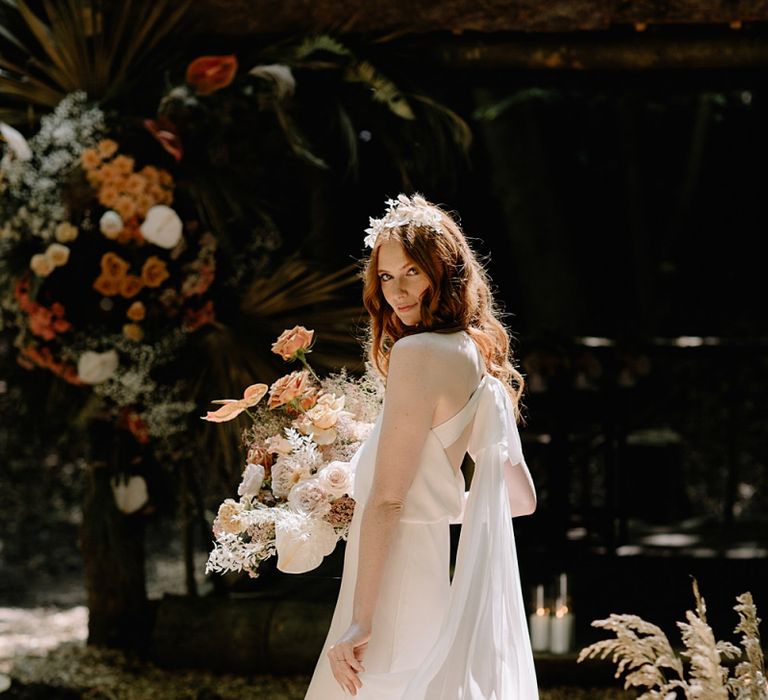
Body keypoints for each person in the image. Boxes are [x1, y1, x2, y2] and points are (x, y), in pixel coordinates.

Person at [305, 194, 539, 699]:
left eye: (412, 271)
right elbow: (520, 500)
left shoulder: (416, 353)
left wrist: (361, 621)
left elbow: (389, 500)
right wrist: (435, 510)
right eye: (386, 277)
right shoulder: (474, 355)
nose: (397, 291)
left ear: (445, 271)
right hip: (428, 582)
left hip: (390, 594)